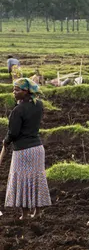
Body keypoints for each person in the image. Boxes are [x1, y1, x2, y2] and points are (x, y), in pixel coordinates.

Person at [3, 78, 49, 219]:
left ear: (25, 91)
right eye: (13, 89)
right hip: (37, 149)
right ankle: (38, 212)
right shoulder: (38, 105)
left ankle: (24, 214)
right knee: (36, 179)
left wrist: (6, 141)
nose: (14, 92)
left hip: (23, 151)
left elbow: (14, 132)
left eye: (17, 90)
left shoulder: (18, 110)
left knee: (22, 181)